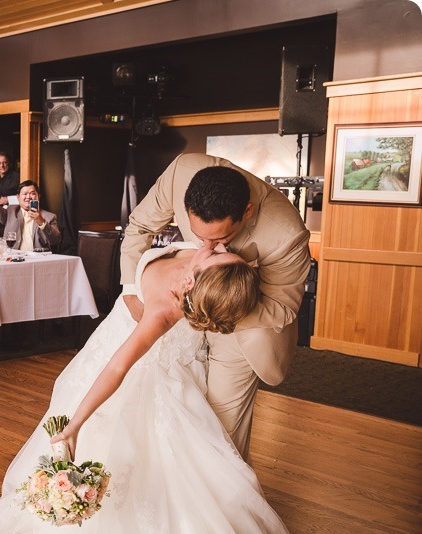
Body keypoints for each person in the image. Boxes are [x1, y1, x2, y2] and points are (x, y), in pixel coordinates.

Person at [0, 241, 310, 534]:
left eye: (217, 255)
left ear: (190, 283)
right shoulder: (203, 264)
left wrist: (76, 423)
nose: (219, 246)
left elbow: (118, 368)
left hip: (148, 375)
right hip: (104, 345)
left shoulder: (164, 313)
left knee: (147, 465)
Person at [120, 154, 311, 460]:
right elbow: (140, 226)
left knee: (222, 434)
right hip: (183, 321)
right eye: (198, 236)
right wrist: (131, 288)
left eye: (222, 237)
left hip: (243, 327)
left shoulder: (286, 234)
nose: (207, 249)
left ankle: (225, 504)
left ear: (246, 212)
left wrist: (215, 309)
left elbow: (282, 307)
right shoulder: (181, 171)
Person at [0, 173, 61, 251]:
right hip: (14, 259)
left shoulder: (49, 217)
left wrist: (42, 222)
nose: (28, 197)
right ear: (18, 197)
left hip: (38, 260)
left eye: (32, 193)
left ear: (38, 196)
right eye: (25, 194)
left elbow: (55, 241)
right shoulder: (11, 212)